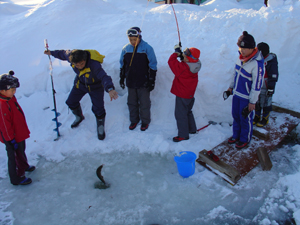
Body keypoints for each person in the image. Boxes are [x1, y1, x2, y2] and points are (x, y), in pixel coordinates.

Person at [44, 49, 118, 140]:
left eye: (81, 64)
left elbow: (104, 77)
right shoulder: (71, 56)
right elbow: (62, 54)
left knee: (98, 108)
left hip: (95, 87)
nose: (79, 67)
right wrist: (51, 52)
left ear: (85, 60)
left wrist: (110, 89)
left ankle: (100, 125)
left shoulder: (94, 64)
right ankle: (79, 117)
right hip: (81, 84)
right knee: (71, 102)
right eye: (77, 65)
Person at [227, 31, 264, 149]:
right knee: (235, 115)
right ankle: (236, 135)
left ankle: (244, 139)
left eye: (244, 48)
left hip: (246, 98)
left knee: (245, 118)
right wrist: (231, 87)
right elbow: (235, 74)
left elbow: (257, 85)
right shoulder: (240, 58)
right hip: (237, 94)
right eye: (240, 47)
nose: (241, 50)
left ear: (252, 48)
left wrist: (252, 101)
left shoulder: (257, 64)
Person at [0, 71, 35, 186]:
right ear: (3, 90)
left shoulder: (9, 97)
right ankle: (17, 177)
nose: (14, 92)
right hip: (11, 137)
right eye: (12, 90)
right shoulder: (2, 105)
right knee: (14, 157)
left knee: (21, 151)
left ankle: (23, 166)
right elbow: (4, 126)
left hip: (18, 133)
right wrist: (10, 140)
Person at [119, 27, 157, 131]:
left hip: (143, 81)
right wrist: (122, 78)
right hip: (131, 81)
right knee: (132, 102)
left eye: (134, 39)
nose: (132, 42)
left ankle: (145, 121)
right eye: (130, 40)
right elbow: (122, 65)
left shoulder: (147, 48)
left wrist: (151, 80)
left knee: (144, 103)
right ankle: (134, 120)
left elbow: (153, 65)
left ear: (139, 37)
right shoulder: (126, 49)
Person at [168, 44, 201, 142]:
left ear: (189, 59)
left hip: (182, 95)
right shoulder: (196, 64)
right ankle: (192, 129)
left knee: (180, 115)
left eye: (185, 56)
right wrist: (182, 55)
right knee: (188, 112)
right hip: (190, 95)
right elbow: (187, 60)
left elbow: (171, 62)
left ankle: (183, 135)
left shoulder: (183, 68)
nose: (183, 57)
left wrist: (175, 53)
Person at [254, 42, 279, 127]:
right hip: (258, 84)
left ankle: (265, 118)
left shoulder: (271, 61)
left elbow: (273, 75)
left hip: (266, 85)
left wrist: (271, 88)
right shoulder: (257, 59)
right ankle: (257, 116)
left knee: (266, 102)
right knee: (256, 101)